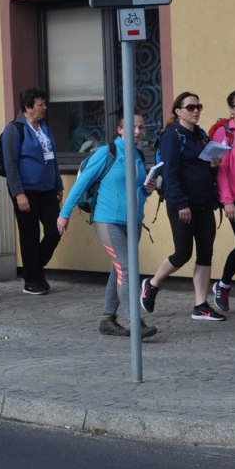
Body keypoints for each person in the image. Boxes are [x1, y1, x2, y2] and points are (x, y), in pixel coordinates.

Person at [58, 113, 157, 338]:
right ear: (120, 130)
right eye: (132, 127)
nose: (137, 132)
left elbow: (137, 191)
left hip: (133, 222)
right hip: (108, 221)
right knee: (127, 268)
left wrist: (147, 190)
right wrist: (64, 214)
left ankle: (107, 319)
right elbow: (81, 183)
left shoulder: (139, 155)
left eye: (141, 128)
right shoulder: (107, 153)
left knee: (119, 268)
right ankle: (135, 322)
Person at [141, 91, 224, 321]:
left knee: (205, 253)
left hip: (204, 203)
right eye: (190, 107)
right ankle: (152, 284)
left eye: (198, 107)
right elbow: (171, 173)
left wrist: (214, 166)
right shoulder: (172, 136)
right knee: (182, 254)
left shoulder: (201, 135)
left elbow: (203, 169)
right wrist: (180, 203)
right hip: (182, 205)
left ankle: (200, 305)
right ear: (178, 111)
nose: (196, 111)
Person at [2, 87, 64, 295]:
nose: (44, 108)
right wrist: (18, 193)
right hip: (26, 191)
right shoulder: (14, 129)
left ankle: (34, 269)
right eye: (40, 104)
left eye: (44, 104)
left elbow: (52, 158)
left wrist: (58, 185)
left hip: (48, 189)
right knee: (30, 235)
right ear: (28, 108)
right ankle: (31, 280)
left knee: (55, 230)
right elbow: (10, 164)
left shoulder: (44, 126)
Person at [213, 88, 235, 313]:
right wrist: (227, 200)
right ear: (231, 109)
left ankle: (223, 285)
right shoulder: (225, 133)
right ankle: (223, 285)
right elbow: (221, 171)